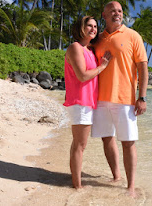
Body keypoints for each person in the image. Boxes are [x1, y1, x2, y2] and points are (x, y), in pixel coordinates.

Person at [92, 1, 148, 197]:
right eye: (112, 11)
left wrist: (142, 97)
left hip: (125, 98)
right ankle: (116, 177)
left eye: (120, 11)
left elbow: (142, 67)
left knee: (128, 142)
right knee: (107, 139)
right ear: (104, 15)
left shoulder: (133, 36)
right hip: (100, 99)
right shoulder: (97, 39)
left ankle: (131, 186)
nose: (117, 13)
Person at [63, 16, 112, 189]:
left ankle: (76, 182)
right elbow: (82, 75)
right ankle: (77, 186)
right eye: (89, 26)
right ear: (81, 28)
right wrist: (102, 67)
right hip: (79, 102)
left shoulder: (89, 50)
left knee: (79, 144)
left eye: (95, 26)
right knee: (80, 145)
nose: (93, 28)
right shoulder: (75, 47)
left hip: (88, 102)